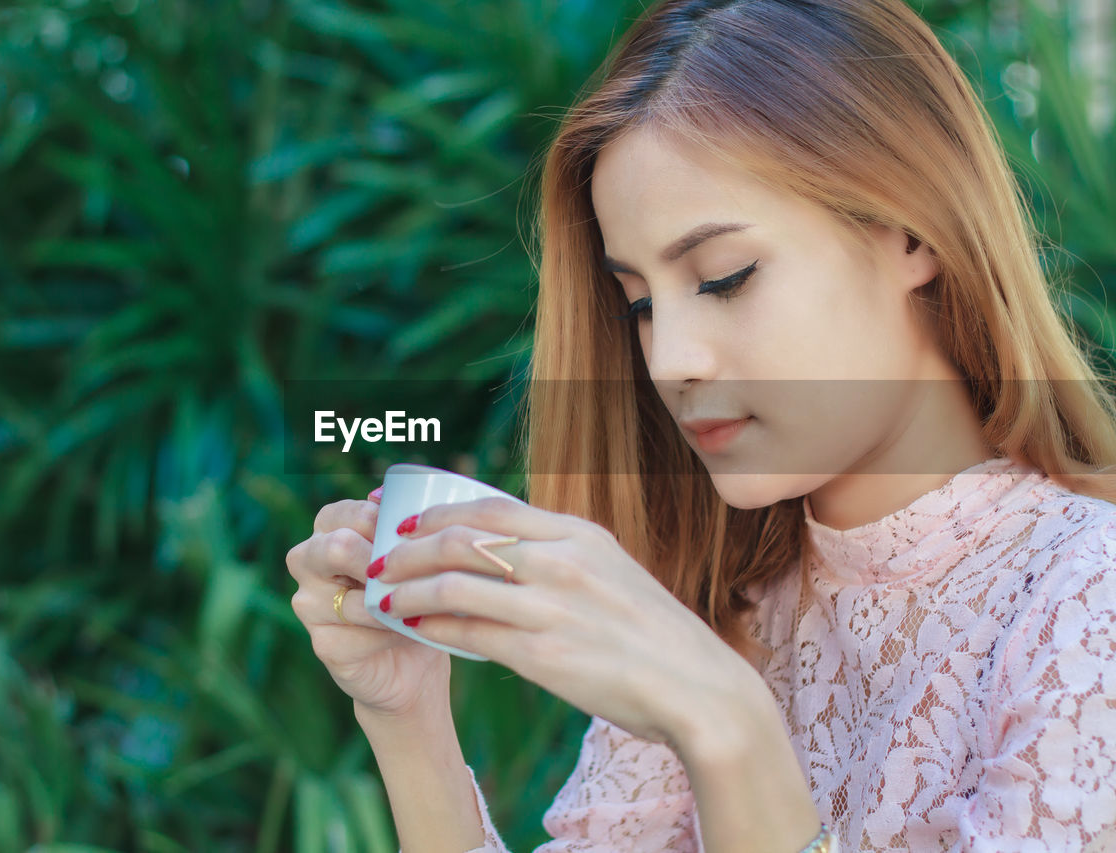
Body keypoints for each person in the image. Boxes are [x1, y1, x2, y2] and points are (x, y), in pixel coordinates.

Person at [286, 0, 1116, 849]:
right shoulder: (720, 610)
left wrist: (732, 735)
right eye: (640, 304)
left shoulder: (1089, 596)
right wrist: (408, 716)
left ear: (909, 229)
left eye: (724, 277)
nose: (670, 358)